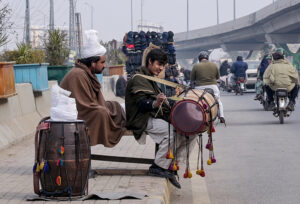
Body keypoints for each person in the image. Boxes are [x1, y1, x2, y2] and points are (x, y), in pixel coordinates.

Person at [125, 48, 197, 189]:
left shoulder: (150, 78)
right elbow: (141, 104)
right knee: (172, 132)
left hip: (153, 115)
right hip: (141, 117)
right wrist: (155, 103)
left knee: (189, 132)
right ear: (150, 61)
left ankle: (171, 164)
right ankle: (158, 167)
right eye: (159, 64)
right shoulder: (139, 78)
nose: (161, 68)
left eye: (163, 65)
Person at [60, 30, 126, 147]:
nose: (105, 65)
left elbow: (92, 101)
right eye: (102, 62)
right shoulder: (78, 74)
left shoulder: (86, 72)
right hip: (75, 114)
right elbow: (83, 105)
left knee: (115, 106)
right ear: (92, 63)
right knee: (102, 112)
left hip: (84, 109)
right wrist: (103, 109)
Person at [190, 51, 226, 123]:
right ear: (207, 58)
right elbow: (217, 77)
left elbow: (192, 79)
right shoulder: (214, 65)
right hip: (213, 86)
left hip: (199, 88)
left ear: (199, 58)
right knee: (218, 101)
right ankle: (221, 116)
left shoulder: (196, 66)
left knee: (197, 101)